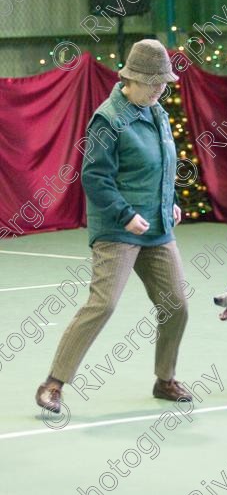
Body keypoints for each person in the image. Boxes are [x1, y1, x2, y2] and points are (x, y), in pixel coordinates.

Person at [35, 39, 192, 413]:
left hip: (157, 228)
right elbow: (95, 178)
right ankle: (52, 384)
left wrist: (170, 203)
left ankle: (164, 379)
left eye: (163, 83)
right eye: (154, 83)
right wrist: (125, 214)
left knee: (177, 305)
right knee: (102, 305)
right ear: (132, 79)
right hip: (118, 229)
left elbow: (164, 166)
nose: (161, 89)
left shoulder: (157, 112)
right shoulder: (108, 118)